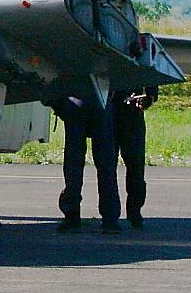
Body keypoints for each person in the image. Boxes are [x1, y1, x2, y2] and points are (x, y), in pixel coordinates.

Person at [48, 94, 121, 233]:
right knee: (106, 164)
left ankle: (72, 216)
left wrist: (58, 104)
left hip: (75, 101)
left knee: (74, 163)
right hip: (102, 101)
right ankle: (110, 219)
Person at [112, 86, 158, 228]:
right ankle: (110, 215)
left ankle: (134, 211)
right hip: (109, 112)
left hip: (132, 114)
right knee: (107, 168)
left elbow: (150, 70)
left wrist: (150, 97)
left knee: (136, 166)